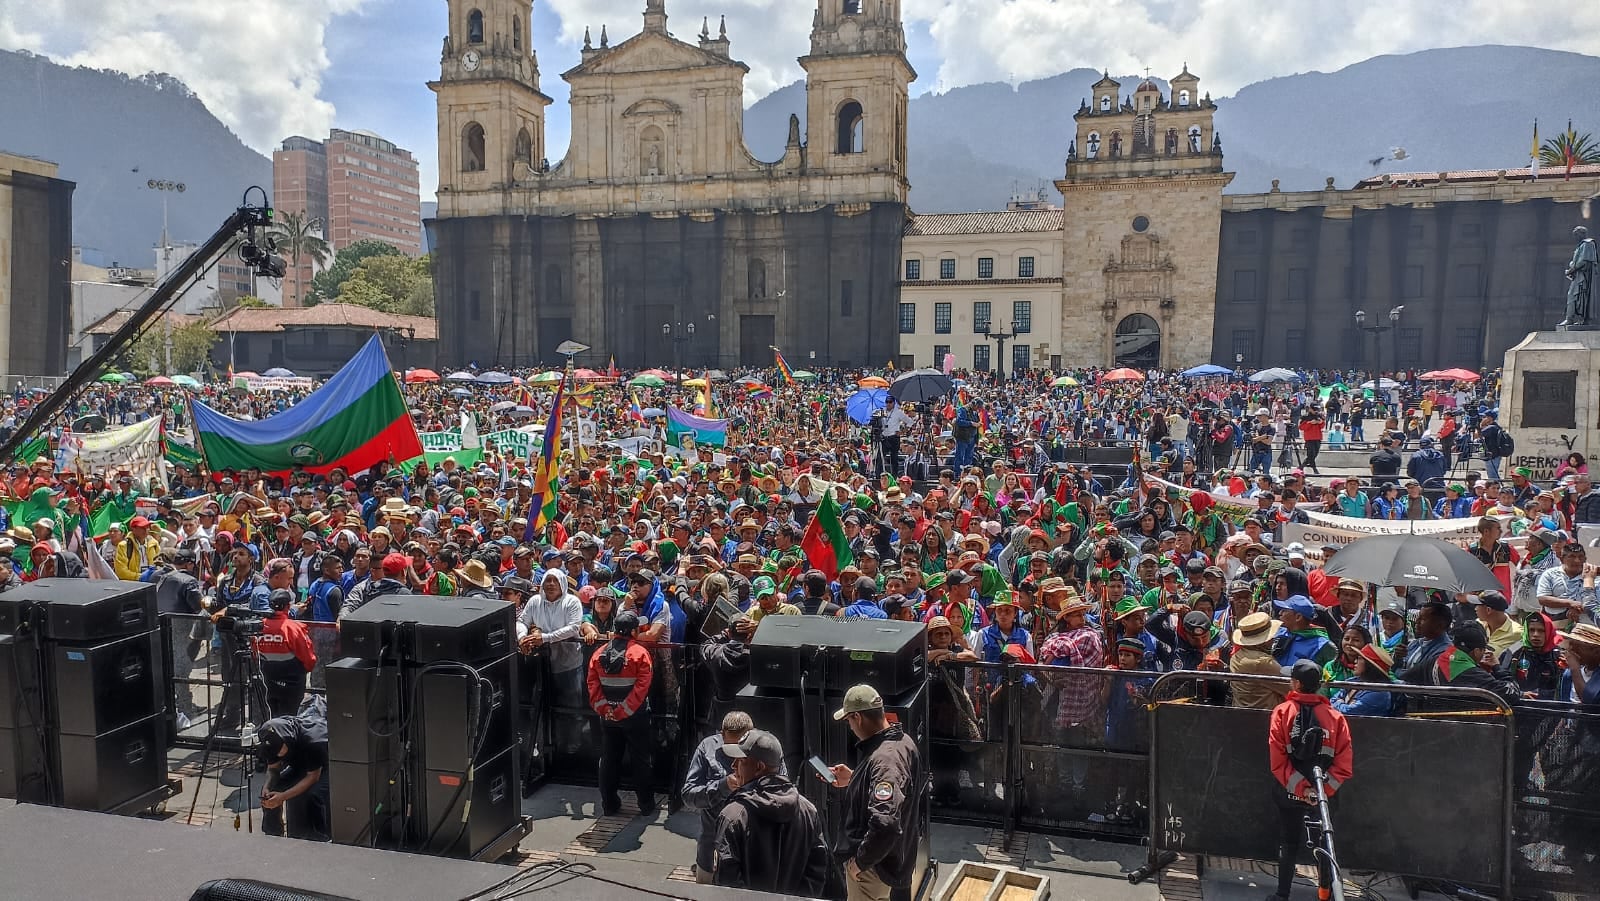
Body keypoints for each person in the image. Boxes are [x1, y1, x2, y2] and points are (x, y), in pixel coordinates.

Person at [1267, 661, 1353, 901]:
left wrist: (1300, 789)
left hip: (1288, 791)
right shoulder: (1336, 718)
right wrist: (1320, 792)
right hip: (1325, 796)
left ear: (1295, 683)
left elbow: (1277, 762)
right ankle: (1324, 896)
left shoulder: (1282, 712)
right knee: (1325, 844)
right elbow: (1344, 766)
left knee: (1288, 842)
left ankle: (1282, 895)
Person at [828, 684, 923, 901]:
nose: (850, 727)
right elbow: (895, 791)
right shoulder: (903, 742)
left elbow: (886, 823)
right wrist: (855, 778)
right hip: (890, 862)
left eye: (849, 721)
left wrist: (860, 863)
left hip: (873, 870)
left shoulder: (885, 760)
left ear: (858, 717)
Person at [712, 729, 831, 895]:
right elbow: (817, 872)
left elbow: (726, 882)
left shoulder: (732, 815)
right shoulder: (809, 811)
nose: (733, 766)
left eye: (741, 760)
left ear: (759, 767)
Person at [587, 609, 655, 817]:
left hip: (608, 718)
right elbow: (642, 688)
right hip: (635, 716)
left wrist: (606, 709)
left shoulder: (598, 654)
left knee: (609, 759)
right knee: (641, 760)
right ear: (633, 631)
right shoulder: (640, 654)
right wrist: (623, 710)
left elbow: (592, 685)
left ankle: (609, 805)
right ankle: (645, 805)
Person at [683, 711, 759, 883]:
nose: (735, 756)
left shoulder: (765, 748)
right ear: (722, 734)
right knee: (703, 891)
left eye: (741, 747)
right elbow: (688, 795)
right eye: (731, 747)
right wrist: (722, 787)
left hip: (752, 850)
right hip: (711, 848)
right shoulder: (707, 748)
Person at [256, 700, 330, 841]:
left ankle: (319, 836)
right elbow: (273, 769)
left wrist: (283, 797)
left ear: (286, 741)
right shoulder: (268, 733)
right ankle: (272, 835)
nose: (278, 755)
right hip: (301, 764)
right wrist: (267, 786)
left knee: (312, 795)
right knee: (272, 792)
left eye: (279, 751)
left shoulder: (312, 740)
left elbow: (313, 776)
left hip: (326, 766)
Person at [156, 546, 206, 722]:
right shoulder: (188, 581)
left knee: (169, 670)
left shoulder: (159, 576)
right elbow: (199, 606)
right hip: (183, 632)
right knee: (181, 672)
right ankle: (186, 708)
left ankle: (175, 704)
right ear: (190, 564)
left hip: (162, 629)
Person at [254, 588, 316, 720]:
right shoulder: (293, 628)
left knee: (268, 718)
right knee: (289, 721)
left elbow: (254, 654)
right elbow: (309, 658)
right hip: (292, 685)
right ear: (288, 606)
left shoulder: (258, 627)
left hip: (266, 682)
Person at [1230, 611, 1289, 709]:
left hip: (1241, 711)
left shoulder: (1237, 656)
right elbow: (1289, 688)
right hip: (1264, 714)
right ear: (1262, 641)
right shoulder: (1262, 662)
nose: (1273, 639)